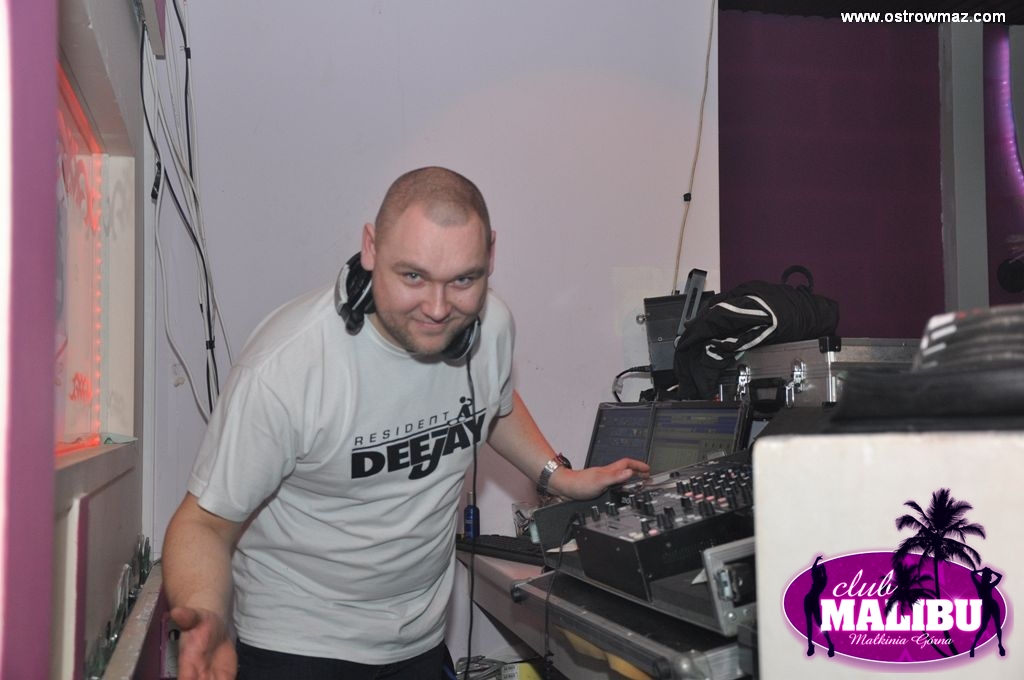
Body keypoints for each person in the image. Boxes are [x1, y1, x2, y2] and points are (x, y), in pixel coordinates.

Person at [162, 166, 649, 680]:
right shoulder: (288, 366)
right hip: (298, 643)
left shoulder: (490, 327)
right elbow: (203, 524)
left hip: (419, 639)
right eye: (413, 276)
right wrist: (208, 616)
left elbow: (495, 407)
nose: (438, 309)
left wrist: (558, 476)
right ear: (371, 248)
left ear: (490, 255)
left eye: (463, 280)